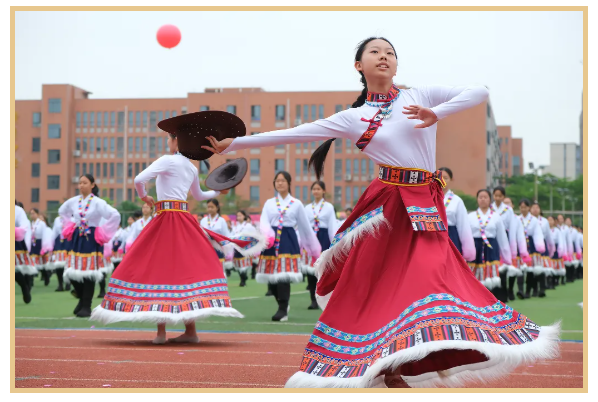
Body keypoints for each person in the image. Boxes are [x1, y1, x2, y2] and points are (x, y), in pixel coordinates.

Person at [201, 37, 559, 388]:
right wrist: (235, 144)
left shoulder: (419, 96)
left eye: (390, 52)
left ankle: (412, 356)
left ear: (397, 65)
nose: (384, 56)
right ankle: (389, 366)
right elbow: (296, 134)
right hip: (389, 208)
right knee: (385, 285)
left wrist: (437, 113)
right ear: (359, 65)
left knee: (433, 275)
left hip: (425, 203)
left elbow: (479, 91)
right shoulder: (353, 117)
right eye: (375, 52)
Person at [91, 132, 263, 345]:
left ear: (175, 141)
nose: (167, 142)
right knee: (184, 272)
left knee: (159, 270)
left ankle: (161, 332)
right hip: (184, 221)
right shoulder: (191, 167)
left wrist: (144, 196)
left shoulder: (167, 160)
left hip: (165, 220)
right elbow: (200, 196)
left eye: (169, 138)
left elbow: (138, 180)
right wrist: (219, 192)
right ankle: (190, 331)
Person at [255, 171, 320, 321]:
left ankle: (283, 310)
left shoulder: (296, 204)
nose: (280, 183)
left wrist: (312, 247)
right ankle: (281, 303)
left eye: (283, 180)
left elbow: (305, 226)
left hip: (288, 239)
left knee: (284, 275)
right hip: (271, 240)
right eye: (277, 181)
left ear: (289, 183)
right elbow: (264, 221)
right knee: (271, 278)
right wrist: (267, 235)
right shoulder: (269, 203)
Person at [58, 174, 121, 317]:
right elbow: (62, 211)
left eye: (85, 183)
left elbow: (115, 215)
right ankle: (82, 299)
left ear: (92, 185)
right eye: (80, 183)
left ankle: (86, 306)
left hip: (91, 238)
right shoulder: (74, 201)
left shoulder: (98, 202)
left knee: (90, 273)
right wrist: (70, 225)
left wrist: (102, 231)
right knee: (72, 271)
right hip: (77, 237)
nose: (81, 185)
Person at [467, 190, 512, 301]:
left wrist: (507, 257)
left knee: (492, 275)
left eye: (485, 197)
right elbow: (466, 236)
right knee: (475, 274)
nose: (483, 199)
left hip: (491, 247)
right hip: (476, 248)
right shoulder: (470, 216)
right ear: (477, 200)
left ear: (490, 200)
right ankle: (476, 299)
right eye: (480, 197)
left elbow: (502, 237)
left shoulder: (496, 217)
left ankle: (493, 300)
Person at [302, 181, 338, 310]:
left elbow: (332, 226)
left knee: (323, 271)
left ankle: (325, 299)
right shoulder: (307, 208)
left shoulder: (328, 207)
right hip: (311, 239)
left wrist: (334, 243)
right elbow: (304, 226)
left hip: (323, 238)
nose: (316, 191)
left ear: (323, 191)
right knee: (311, 271)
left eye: (318, 189)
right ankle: (313, 299)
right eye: (314, 189)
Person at [438, 167, 475, 262]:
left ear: (451, 179)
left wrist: (468, 250)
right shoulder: (430, 198)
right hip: (434, 235)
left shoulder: (457, 201)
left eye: (446, 178)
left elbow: (463, 226)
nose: (442, 180)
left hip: (451, 236)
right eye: (440, 177)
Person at [517, 199, 546, 298]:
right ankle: (520, 290)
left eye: (525, 207)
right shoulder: (517, 219)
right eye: (521, 207)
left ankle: (528, 291)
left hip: (531, 244)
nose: (523, 209)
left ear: (528, 208)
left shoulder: (534, 220)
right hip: (520, 243)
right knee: (520, 268)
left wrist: (539, 245)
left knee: (531, 269)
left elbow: (538, 233)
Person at [200, 199, 232, 277]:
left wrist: (227, 250)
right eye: (208, 207)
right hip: (206, 248)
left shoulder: (221, 221)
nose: (210, 209)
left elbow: (226, 236)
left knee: (219, 269)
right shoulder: (203, 220)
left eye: (212, 207)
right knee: (207, 269)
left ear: (217, 208)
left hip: (218, 248)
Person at [232, 210, 260, 287]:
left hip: (245, 247)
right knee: (237, 265)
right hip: (236, 247)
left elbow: (255, 235)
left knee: (244, 265)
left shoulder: (248, 226)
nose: (238, 217)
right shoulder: (235, 227)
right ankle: (243, 277)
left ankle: (243, 280)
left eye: (240, 215)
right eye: (237, 216)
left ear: (244, 216)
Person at [530, 203, 555, 290]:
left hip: (542, 245)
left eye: (537, 208)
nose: (535, 209)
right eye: (533, 207)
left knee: (542, 267)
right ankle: (533, 289)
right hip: (530, 244)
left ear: (540, 210)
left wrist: (551, 248)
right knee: (531, 268)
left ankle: (542, 288)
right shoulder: (528, 220)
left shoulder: (544, 221)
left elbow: (548, 236)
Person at [15, 202, 34, 303]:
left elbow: (25, 228)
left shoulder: (18, 210)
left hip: (15, 242)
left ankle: (24, 286)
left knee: (16, 269)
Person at [28, 208, 49, 287]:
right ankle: (31, 281)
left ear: (37, 214)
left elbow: (45, 234)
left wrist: (45, 246)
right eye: (31, 213)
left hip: (40, 243)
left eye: (33, 213)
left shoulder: (41, 223)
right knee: (32, 262)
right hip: (33, 243)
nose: (32, 215)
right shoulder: (30, 223)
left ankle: (46, 276)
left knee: (41, 263)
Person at [49, 216, 69, 291]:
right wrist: (51, 245)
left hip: (68, 241)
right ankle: (60, 284)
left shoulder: (71, 218)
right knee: (58, 264)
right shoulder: (57, 219)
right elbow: (54, 232)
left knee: (68, 264)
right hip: (59, 242)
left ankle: (68, 283)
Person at [547, 216, 567, 286]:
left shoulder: (557, 230)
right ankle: (548, 282)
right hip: (547, 248)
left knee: (555, 266)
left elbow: (560, 241)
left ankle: (554, 281)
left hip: (555, 249)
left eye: (551, 220)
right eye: (548, 220)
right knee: (548, 265)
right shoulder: (544, 229)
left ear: (554, 222)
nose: (550, 222)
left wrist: (560, 250)